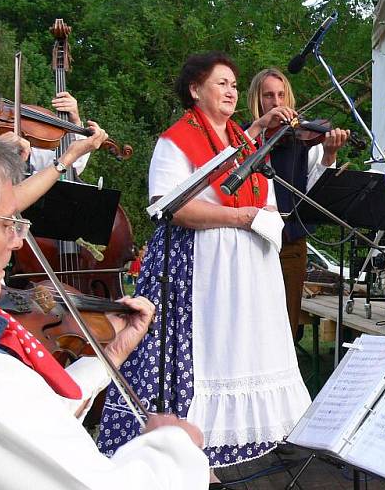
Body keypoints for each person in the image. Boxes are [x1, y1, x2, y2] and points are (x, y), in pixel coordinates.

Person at [97, 52, 311, 473]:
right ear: (196, 90)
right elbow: (170, 206)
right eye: (222, 83)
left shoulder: (243, 140)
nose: (232, 90)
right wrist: (244, 217)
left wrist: (260, 213)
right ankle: (188, 455)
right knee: (196, 356)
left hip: (248, 270)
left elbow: (262, 193)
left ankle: (227, 449)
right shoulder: (176, 140)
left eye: (234, 84)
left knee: (240, 351)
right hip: (197, 268)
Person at [0, 131, 209, 490]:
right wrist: (175, 446)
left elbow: (37, 418)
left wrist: (113, 352)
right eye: (8, 222)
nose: (18, 241)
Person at [245, 68, 349, 339]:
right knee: (251, 319)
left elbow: (313, 193)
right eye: (268, 96)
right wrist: (260, 128)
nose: (276, 102)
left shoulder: (303, 137)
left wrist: (329, 155)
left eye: (281, 95)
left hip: (290, 241)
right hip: (250, 240)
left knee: (286, 321)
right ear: (258, 100)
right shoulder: (244, 137)